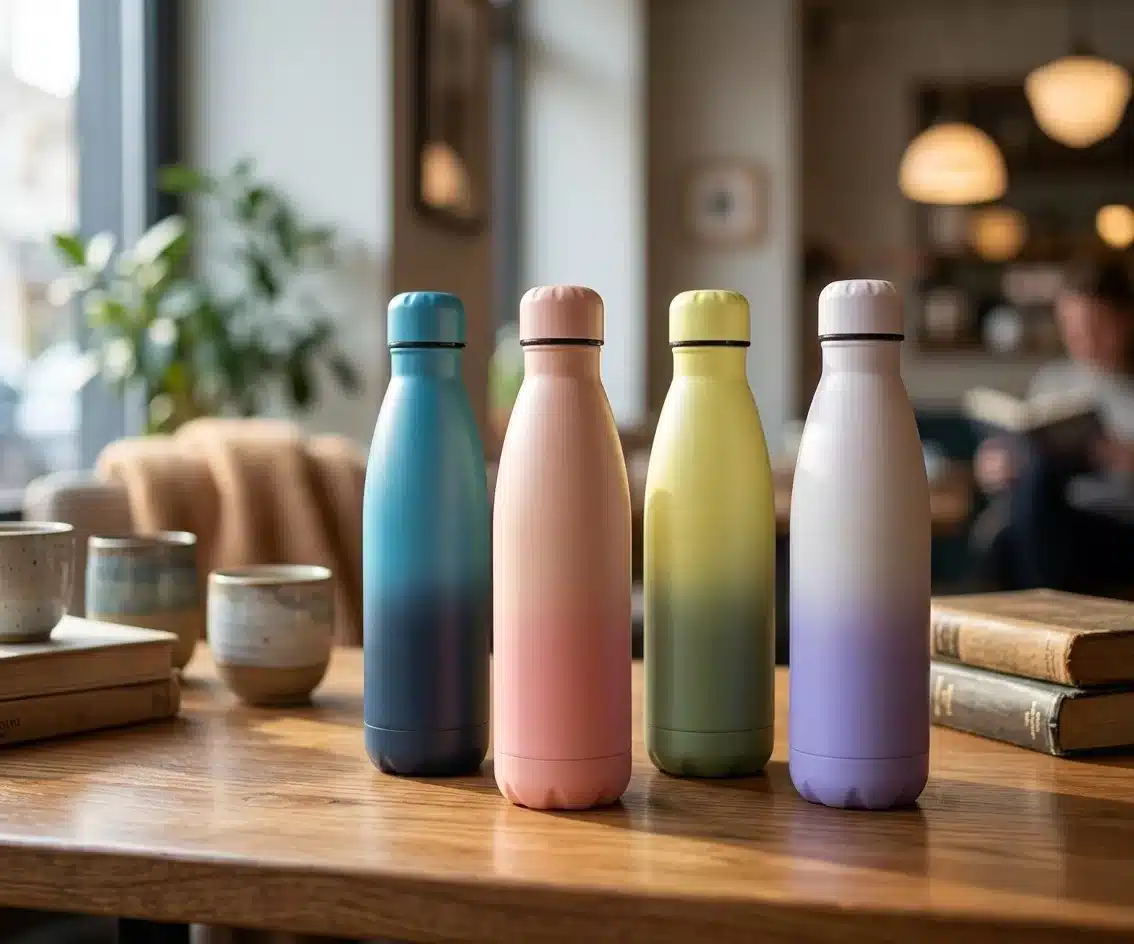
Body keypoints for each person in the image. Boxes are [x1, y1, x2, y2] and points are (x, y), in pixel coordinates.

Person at [973, 255, 1134, 596]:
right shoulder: (1052, 380)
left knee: (1024, 530)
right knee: (1035, 480)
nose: (1084, 340)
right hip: (1051, 517)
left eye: (1095, 327)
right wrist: (999, 469)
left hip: (1117, 524)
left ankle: (1040, 608)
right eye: (1072, 329)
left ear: (1124, 320)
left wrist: (1124, 459)